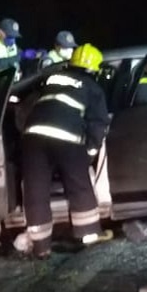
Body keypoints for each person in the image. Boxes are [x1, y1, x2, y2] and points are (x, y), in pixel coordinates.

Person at [14, 43, 112, 258]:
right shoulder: (92, 87)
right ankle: (88, 235)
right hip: (66, 138)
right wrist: (89, 152)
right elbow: (98, 123)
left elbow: (26, 106)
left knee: (36, 190)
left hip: (33, 138)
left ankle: (40, 247)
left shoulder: (52, 79)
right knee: (79, 185)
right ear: (94, 69)